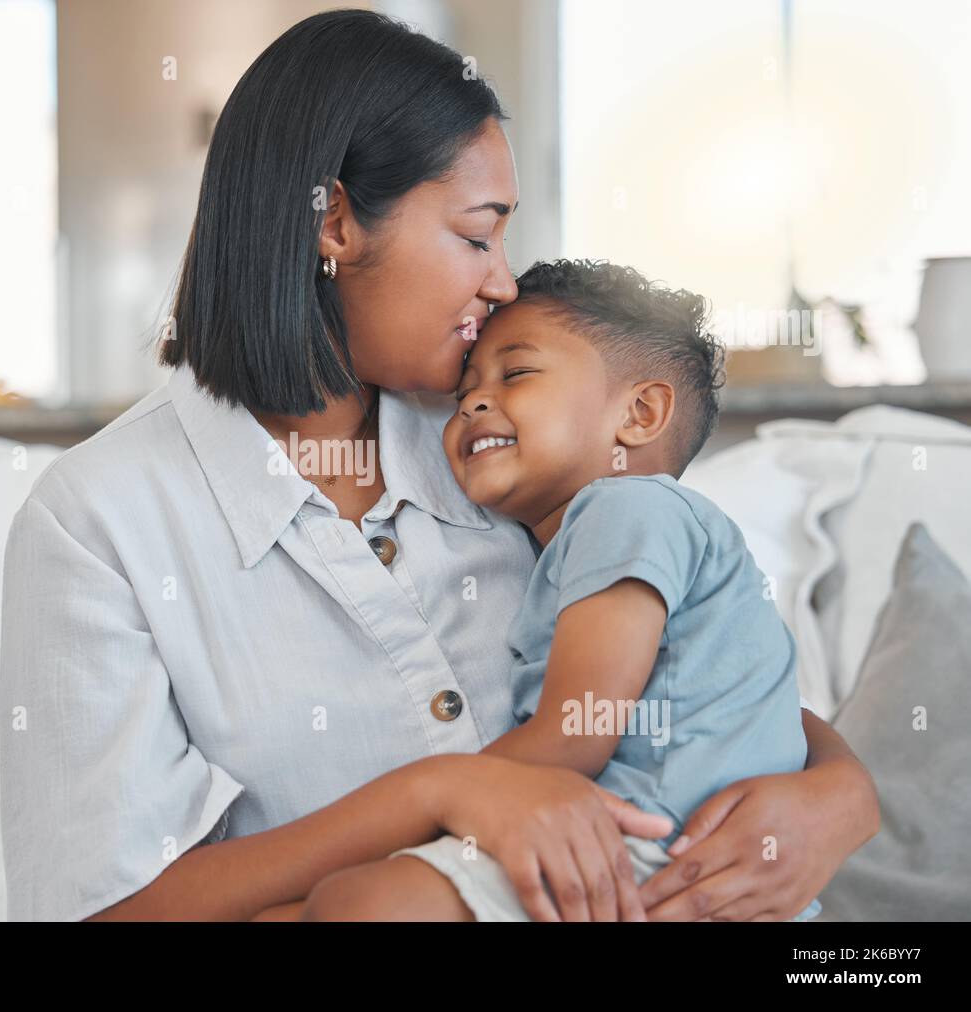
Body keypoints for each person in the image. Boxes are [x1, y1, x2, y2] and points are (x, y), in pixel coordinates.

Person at [0, 9, 878, 923]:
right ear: (333, 221)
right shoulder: (99, 522)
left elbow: (689, 649)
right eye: (476, 234)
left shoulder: (502, 440)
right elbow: (99, 910)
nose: (503, 282)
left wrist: (840, 793)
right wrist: (440, 794)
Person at [297, 259, 823, 921]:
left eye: (516, 373)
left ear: (640, 412)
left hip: (654, 858)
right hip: (663, 861)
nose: (474, 404)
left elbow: (578, 734)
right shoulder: (599, 536)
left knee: (358, 904)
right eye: (465, 393)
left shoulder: (626, 511)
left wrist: (433, 804)